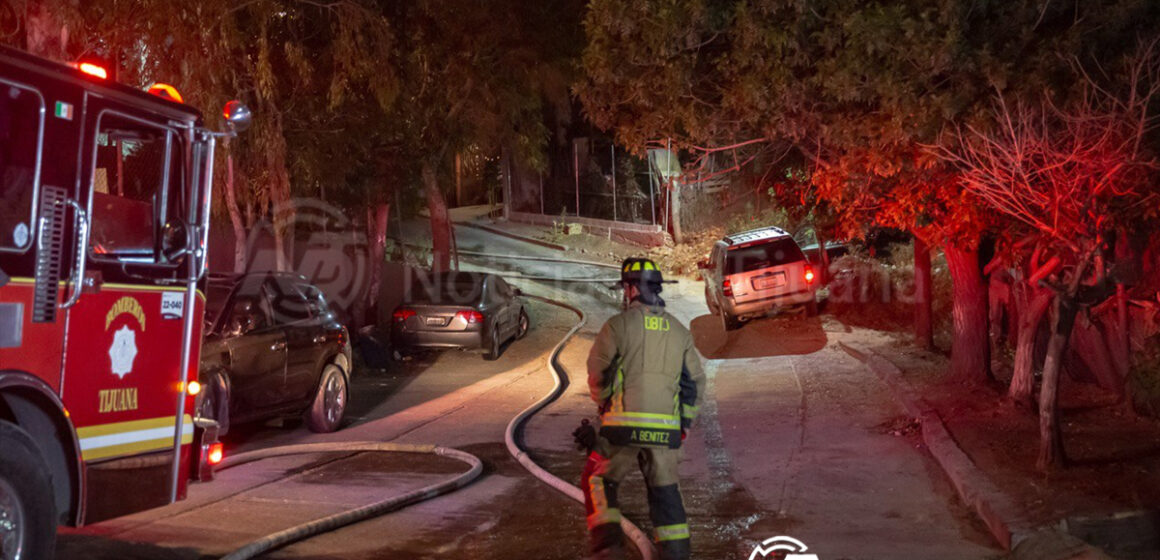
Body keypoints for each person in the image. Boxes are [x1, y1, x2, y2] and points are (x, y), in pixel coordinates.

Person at [581, 257, 706, 560]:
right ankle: (676, 555)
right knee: (665, 491)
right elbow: (695, 384)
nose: (625, 294)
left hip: (621, 429)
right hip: (666, 433)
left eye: (626, 288)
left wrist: (604, 405)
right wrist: (683, 427)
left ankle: (609, 550)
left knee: (597, 479)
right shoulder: (679, 331)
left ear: (633, 289)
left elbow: (598, 373)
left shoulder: (617, 326)